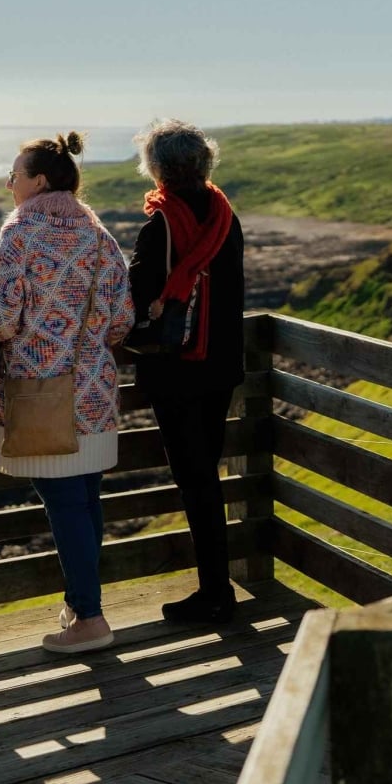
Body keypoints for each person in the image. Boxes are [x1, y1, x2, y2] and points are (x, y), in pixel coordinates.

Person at [0, 131, 133, 653]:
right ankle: (80, 606)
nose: (9, 184)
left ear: (38, 181)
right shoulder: (98, 234)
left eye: (14, 175)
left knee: (64, 504)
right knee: (84, 499)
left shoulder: (19, 232)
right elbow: (121, 320)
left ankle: (90, 618)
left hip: (41, 392)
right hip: (95, 390)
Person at [128, 119, 245, 624]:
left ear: (157, 169)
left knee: (194, 480)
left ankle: (215, 594)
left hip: (177, 371)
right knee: (206, 476)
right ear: (204, 163)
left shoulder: (161, 226)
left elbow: (132, 300)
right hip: (221, 364)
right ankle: (217, 589)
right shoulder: (225, 216)